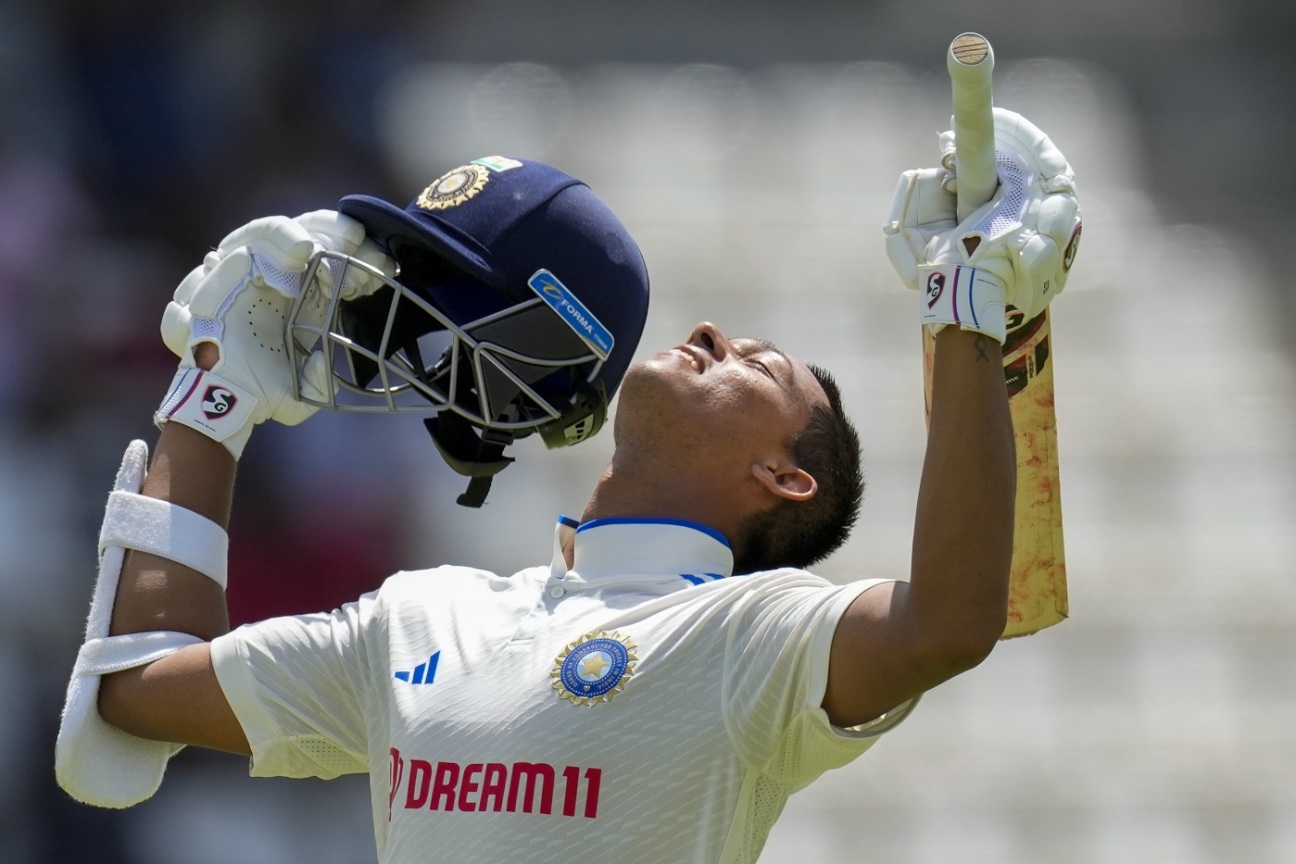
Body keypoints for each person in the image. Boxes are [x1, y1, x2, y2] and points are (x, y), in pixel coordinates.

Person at [57, 114, 1081, 863]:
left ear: (783, 477)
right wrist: (214, 397)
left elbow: (949, 621)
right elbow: (138, 690)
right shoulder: (425, 615)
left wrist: (966, 314)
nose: (715, 334)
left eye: (759, 366)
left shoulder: (751, 637)